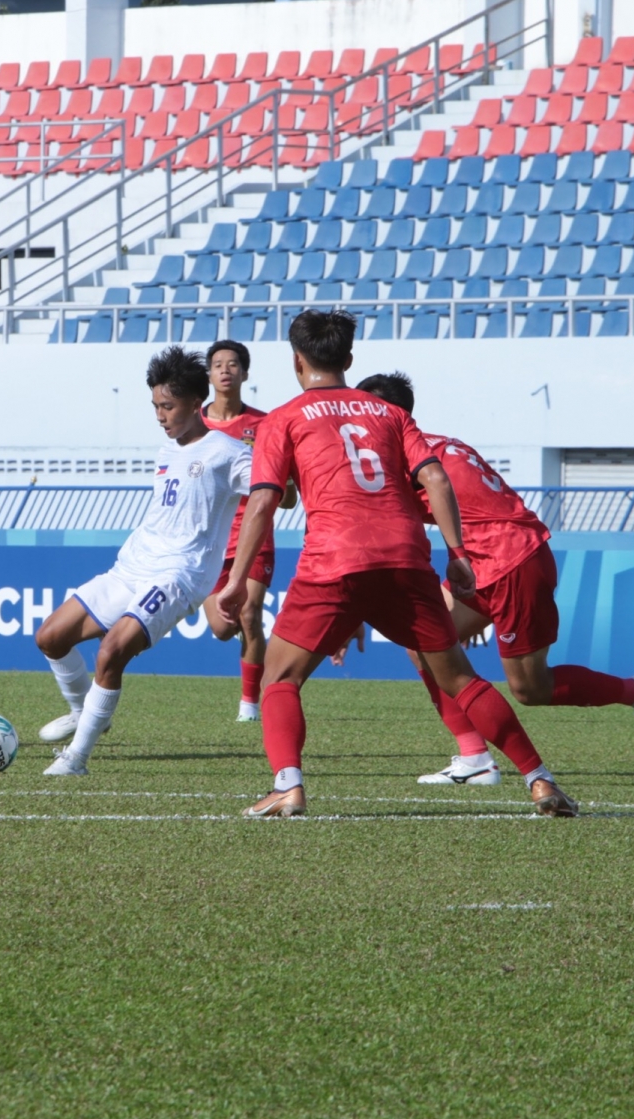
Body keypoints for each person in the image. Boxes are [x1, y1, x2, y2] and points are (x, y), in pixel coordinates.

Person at [215, 309, 577, 819]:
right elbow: (437, 480)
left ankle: (288, 786)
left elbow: (261, 503)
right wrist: (456, 555)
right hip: (405, 556)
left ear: (297, 362)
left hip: (333, 558)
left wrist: (234, 581)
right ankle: (540, 780)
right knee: (460, 678)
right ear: (349, 359)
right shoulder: (390, 415)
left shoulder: (284, 418)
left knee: (280, 678)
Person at [353, 373, 634, 784]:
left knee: (530, 690)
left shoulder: (405, 461)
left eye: (361, 411)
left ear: (387, 416)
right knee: (423, 646)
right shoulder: (436, 444)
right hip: (483, 562)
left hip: (513, 562)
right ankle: (475, 758)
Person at [35, 347, 253, 776]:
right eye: (155, 406)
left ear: (196, 402)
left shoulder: (228, 451)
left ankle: (76, 757)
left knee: (112, 651)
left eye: (167, 406)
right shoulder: (166, 452)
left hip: (178, 575)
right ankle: (87, 714)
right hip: (130, 567)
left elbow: (277, 494)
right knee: (50, 637)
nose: (160, 415)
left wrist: (282, 476)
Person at [199, 339, 276, 722]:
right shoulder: (194, 424)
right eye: (218, 364)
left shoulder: (265, 425)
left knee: (250, 613)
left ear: (245, 373)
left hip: (254, 536)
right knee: (221, 629)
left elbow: (286, 492)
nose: (225, 369)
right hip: (208, 539)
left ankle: (249, 703)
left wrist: (286, 488)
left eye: (233, 364)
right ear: (209, 375)